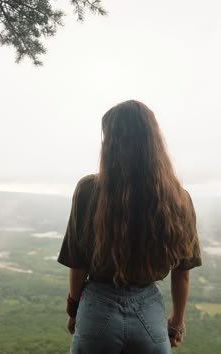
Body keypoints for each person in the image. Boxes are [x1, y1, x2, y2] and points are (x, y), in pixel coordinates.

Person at [57, 100, 202, 354]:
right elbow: (183, 272)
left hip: (97, 312)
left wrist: (74, 312)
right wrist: (176, 324)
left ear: (111, 144)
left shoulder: (88, 191)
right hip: (149, 317)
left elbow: (78, 263)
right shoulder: (178, 199)